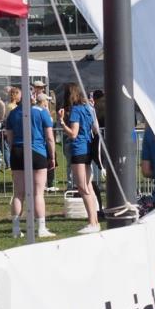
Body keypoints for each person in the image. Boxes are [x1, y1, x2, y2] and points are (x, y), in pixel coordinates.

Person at [4, 95, 56, 238]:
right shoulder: (42, 111)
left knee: (18, 193)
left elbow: (9, 137)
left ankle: (15, 229)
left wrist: (15, 149)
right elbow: (50, 138)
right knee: (38, 193)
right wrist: (52, 156)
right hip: (37, 151)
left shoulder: (13, 113)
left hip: (17, 151)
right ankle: (41, 228)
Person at [58, 82, 100, 234]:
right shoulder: (88, 108)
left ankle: (92, 222)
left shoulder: (75, 110)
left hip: (79, 149)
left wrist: (62, 122)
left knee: (82, 187)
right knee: (88, 185)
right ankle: (94, 221)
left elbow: (73, 133)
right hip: (88, 148)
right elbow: (95, 128)